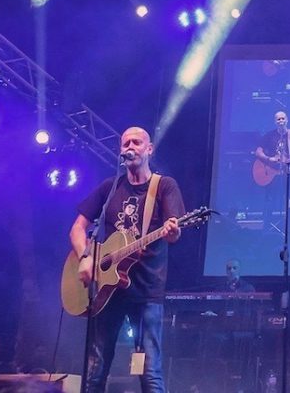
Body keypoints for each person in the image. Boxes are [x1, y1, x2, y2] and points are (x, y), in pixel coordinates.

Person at [69, 126, 186, 393]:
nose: (129, 147)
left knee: (149, 372)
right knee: (95, 371)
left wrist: (173, 229)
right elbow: (77, 228)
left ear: (149, 149)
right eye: (125, 144)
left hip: (146, 291)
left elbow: (173, 234)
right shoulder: (110, 187)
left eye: (136, 142)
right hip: (107, 293)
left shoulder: (163, 186)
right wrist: (86, 256)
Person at [254, 111, 290, 225]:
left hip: (288, 173)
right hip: (271, 173)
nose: (281, 121)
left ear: (287, 120)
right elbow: (258, 152)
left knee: (289, 198)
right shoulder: (269, 136)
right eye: (278, 119)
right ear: (275, 121)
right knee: (270, 200)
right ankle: (267, 224)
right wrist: (268, 159)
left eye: (283, 118)